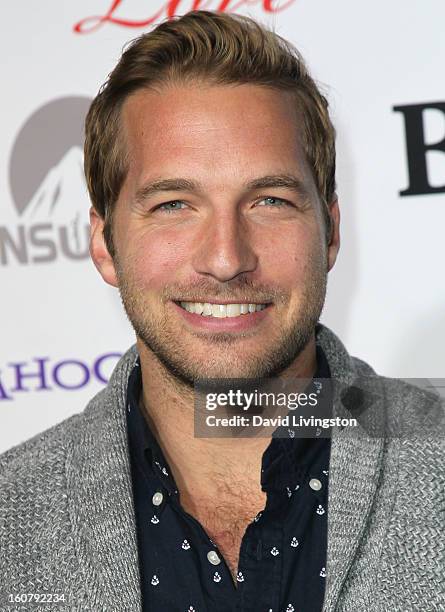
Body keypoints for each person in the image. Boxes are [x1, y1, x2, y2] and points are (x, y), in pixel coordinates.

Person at [0, 10, 443, 612]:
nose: (226, 258)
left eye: (269, 200)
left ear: (330, 233)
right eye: (175, 205)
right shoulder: (12, 513)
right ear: (105, 245)